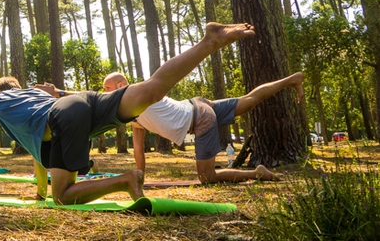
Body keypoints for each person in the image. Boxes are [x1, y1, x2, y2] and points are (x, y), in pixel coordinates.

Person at [0, 22, 255, 205]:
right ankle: (208, 42)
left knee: (64, 196)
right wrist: (38, 191)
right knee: (153, 89)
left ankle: (125, 180)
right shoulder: (30, 95)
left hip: (64, 117)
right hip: (85, 102)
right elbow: (43, 159)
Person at [97, 70, 304, 183]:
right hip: (198, 105)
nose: (105, 93)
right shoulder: (134, 115)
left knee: (207, 177)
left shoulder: (137, 94)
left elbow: (94, 100)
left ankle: (257, 173)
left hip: (200, 119)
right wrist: (140, 177)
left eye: (107, 89)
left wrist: (64, 94)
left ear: (121, 86)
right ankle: (291, 80)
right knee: (249, 99)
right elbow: (139, 151)